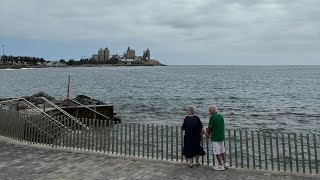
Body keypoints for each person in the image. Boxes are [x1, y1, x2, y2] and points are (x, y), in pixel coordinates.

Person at [207, 105, 229, 171]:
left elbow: (210, 127)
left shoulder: (212, 117)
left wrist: (207, 133)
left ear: (213, 110)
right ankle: (225, 163)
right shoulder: (220, 116)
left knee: (217, 151)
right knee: (222, 150)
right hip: (221, 136)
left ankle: (220, 165)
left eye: (209, 110)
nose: (209, 112)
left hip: (215, 136)